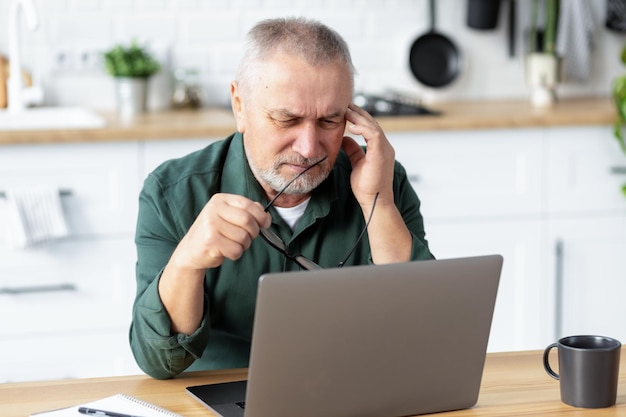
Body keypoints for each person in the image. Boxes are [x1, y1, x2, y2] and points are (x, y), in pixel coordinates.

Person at [130, 17, 435, 380]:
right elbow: (157, 362)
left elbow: (426, 334)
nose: (308, 149)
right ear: (239, 105)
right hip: (217, 393)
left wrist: (378, 204)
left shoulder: (382, 181)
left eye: (329, 121)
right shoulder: (171, 192)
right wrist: (186, 264)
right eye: (286, 120)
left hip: (350, 389)